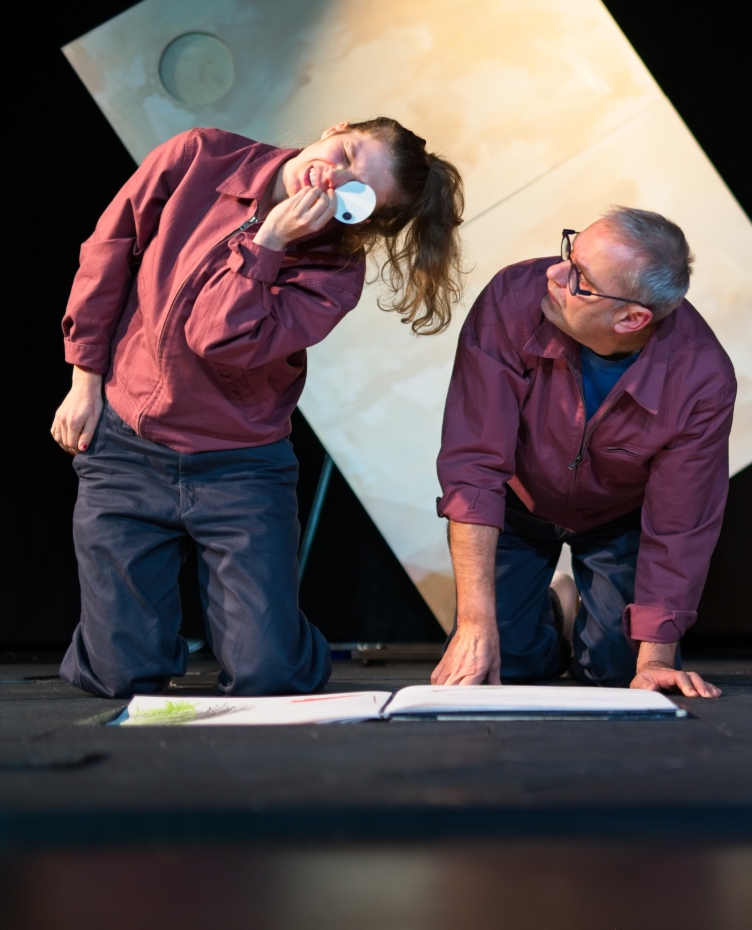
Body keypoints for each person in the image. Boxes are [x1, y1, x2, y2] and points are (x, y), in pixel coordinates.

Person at [52, 119, 464, 697]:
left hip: (239, 467)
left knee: (268, 674)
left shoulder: (333, 273)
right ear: (335, 129)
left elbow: (218, 337)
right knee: (123, 676)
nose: (331, 177)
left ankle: (258, 636)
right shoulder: (201, 156)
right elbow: (107, 252)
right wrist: (85, 380)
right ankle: (122, 635)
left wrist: (268, 243)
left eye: (353, 193)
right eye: (345, 154)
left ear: (359, 220)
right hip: (129, 447)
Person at [432, 208, 733, 698]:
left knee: (620, 675)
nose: (552, 274)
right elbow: (473, 466)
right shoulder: (512, 297)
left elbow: (680, 523)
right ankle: (549, 612)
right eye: (568, 254)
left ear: (632, 318)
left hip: (617, 518)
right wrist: (475, 622)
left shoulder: (702, 378)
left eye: (580, 279)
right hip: (519, 505)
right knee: (504, 663)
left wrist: (655, 658)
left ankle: (588, 628)